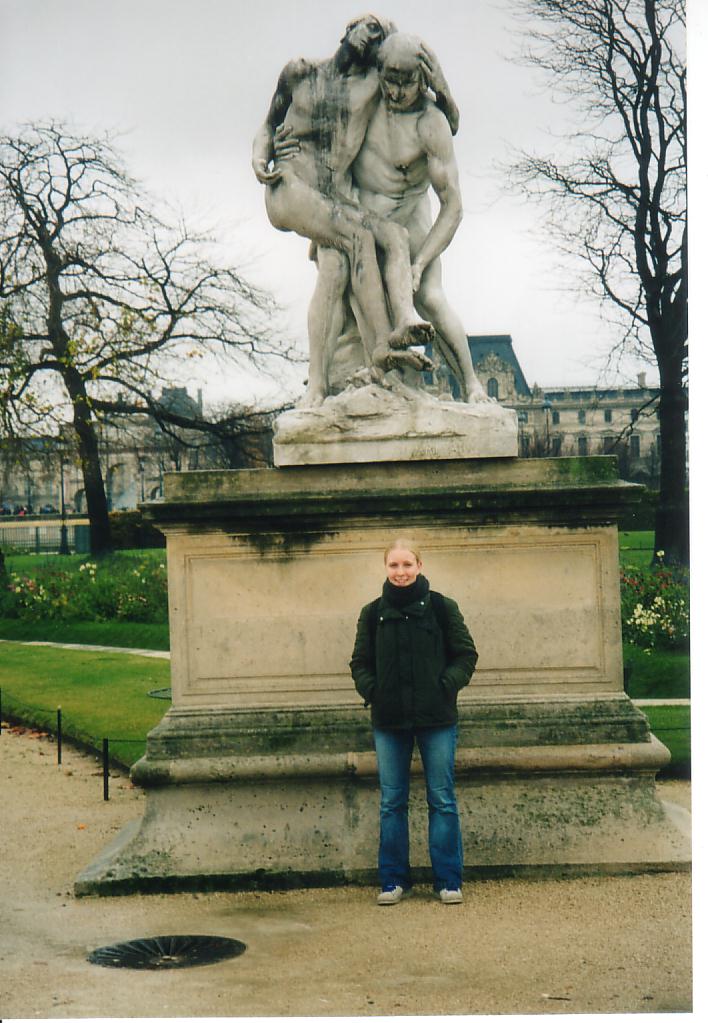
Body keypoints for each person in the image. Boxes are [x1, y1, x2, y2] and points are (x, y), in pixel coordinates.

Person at [252, 17, 461, 402]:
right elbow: (268, 125)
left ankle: (382, 344)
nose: (372, 35)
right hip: (292, 187)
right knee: (356, 240)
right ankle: (374, 353)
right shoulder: (301, 72)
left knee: (371, 249)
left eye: (380, 33)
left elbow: (440, 117)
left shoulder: (372, 87)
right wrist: (259, 156)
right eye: (368, 26)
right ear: (348, 29)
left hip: (333, 200)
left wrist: (443, 88)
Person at [350, 538, 478, 905]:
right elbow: (360, 662)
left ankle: (448, 880)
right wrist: (374, 692)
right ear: (386, 568)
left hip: (437, 719)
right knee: (392, 802)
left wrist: (445, 687)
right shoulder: (372, 612)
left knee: (442, 799)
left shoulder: (441, 607)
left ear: (419, 566)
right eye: (394, 565)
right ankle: (393, 880)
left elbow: (465, 655)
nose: (401, 572)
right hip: (389, 721)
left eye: (407, 565)